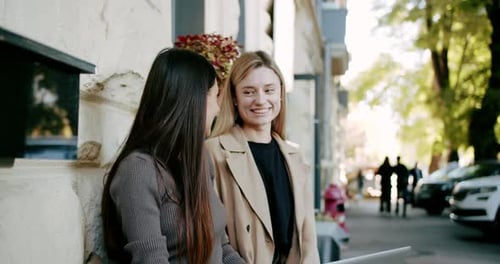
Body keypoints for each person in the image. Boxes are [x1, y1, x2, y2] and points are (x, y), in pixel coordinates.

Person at [100, 48, 244, 264]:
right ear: (192, 101)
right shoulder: (139, 170)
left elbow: (221, 248)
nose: (217, 108)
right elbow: (151, 260)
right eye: (215, 96)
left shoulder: (201, 160)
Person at [206, 51, 320, 263]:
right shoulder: (213, 152)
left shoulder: (294, 156)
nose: (261, 100)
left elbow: (308, 240)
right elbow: (209, 238)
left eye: (269, 90)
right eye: (249, 92)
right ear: (234, 98)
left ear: (280, 94)